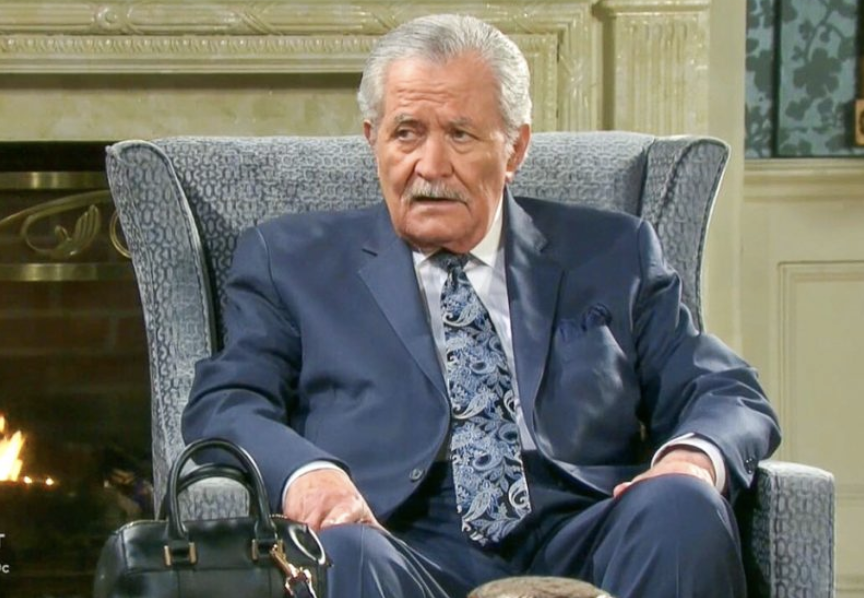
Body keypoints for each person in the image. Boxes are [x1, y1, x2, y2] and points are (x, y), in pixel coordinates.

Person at [183, 13, 780, 598]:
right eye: (406, 133)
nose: (430, 166)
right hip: (392, 534)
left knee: (683, 506)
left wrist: (691, 460)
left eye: (460, 135)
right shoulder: (292, 260)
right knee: (342, 553)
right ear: (373, 140)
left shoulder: (613, 252)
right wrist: (307, 476)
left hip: (588, 529)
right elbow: (228, 402)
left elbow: (725, 390)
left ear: (515, 148)